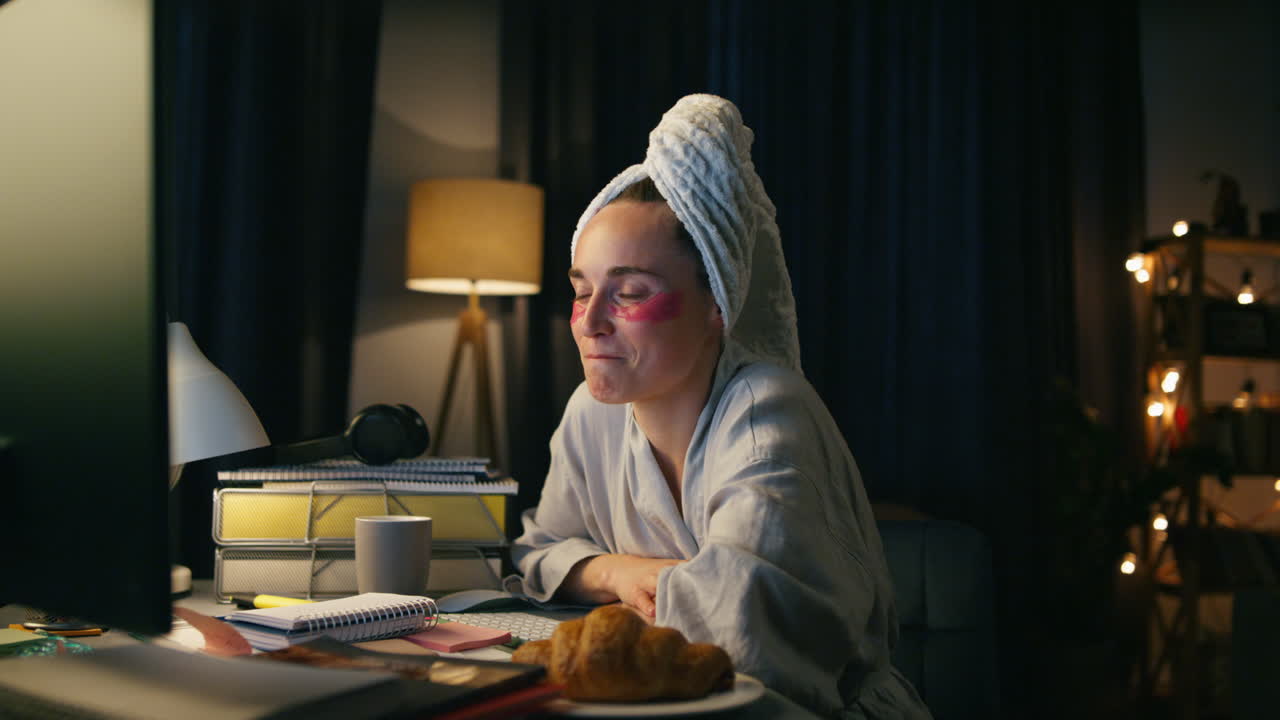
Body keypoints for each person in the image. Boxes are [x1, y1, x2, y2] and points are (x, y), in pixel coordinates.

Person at [511, 94, 931, 719]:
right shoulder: (590, 414)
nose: (590, 323)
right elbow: (539, 551)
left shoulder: (767, 412)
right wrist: (619, 572)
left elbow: (739, 629)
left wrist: (612, 580)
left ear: (718, 307)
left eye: (629, 293)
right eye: (581, 292)